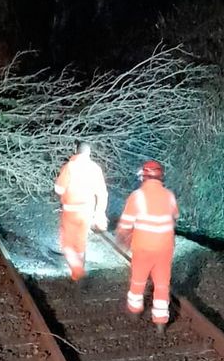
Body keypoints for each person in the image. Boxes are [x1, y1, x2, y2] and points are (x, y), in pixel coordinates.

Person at [116, 160, 178, 333]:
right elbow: (174, 217)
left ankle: (135, 311)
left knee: (138, 280)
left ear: (143, 176)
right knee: (162, 283)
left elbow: (127, 223)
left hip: (143, 246)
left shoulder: (137, 196)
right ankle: (160, 322)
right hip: (165, 247)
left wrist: (122, 236)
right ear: (161, 176)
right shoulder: (169, 195)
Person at [54, 142, 109, 282]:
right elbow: (102, 193)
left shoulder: (70, 167)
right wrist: (99, 214)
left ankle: (77, 271)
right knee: (81, 241)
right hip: (87, 211)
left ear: (76, 151)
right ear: (89, 153)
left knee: (67, 242)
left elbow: (59, 190)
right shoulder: (95, 168)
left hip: (71, 211)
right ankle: (79, 271)